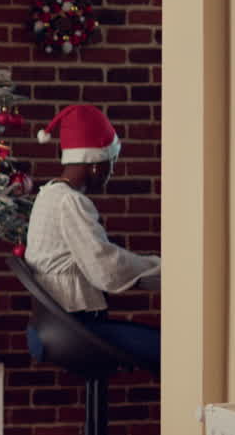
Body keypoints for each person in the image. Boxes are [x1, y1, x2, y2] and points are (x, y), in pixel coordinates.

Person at [25, 104, 160, 365]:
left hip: (52, 326)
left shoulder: (48, 195)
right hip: (73, 330)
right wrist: (160, 267)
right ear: (96, 165)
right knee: (171, 347)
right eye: (112, 163)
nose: (112, 171)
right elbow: (106, 268)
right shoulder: (70, 202)